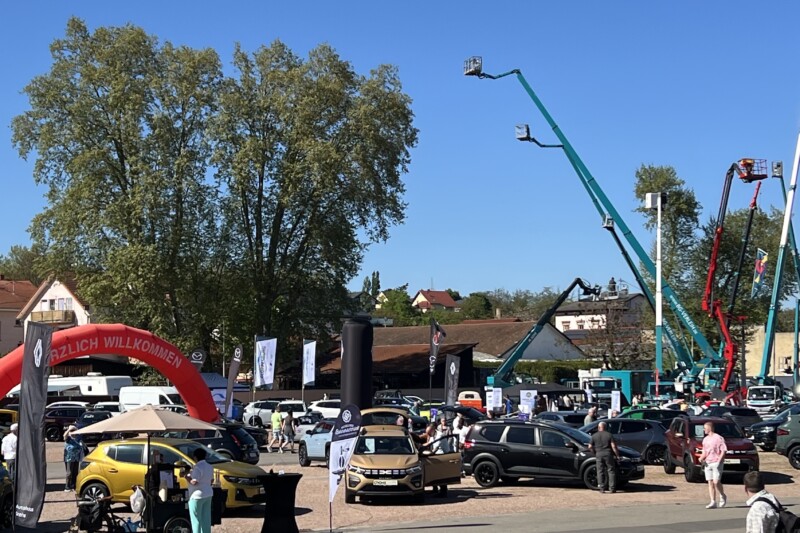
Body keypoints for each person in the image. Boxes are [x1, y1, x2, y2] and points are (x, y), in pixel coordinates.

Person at [698, 421, 728, 509]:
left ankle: (722, 495)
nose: (704, 430)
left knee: (716, 481)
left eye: (705, 428)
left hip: (716, 462)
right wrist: (701, 458)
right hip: (708, 462)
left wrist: (719, 461)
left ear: (709, 428)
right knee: (710, 482)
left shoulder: (718, 438)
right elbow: (705, 451)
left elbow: (723, 450)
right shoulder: (705, 439)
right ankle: (713, 501)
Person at [186, 447, 213, 533]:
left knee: (196, 520)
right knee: (206, 519)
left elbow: (194, 482)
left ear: (195, 457)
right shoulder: (209, 466)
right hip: (208, 493)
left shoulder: (197, 467)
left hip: (196, 495)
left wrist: (186, 477)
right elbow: (211, 480)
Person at [587, 421, 620, 493]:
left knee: (600, 471)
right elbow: (613, 446)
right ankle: (612, 488)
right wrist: (617, 455)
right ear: (605, 427)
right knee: (611, 470)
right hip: (608, 454)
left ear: (599, 427)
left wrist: (594, 452)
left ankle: (601, 488)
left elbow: (589, 446)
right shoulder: (609, 435)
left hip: (599, 454)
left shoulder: (594, 436)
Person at [63, 425, 85, 492]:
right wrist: (69, 430)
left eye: (74, 431)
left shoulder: (78, 439)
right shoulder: (68, 438)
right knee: (69, 472)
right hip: (69, 458)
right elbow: (64, 436)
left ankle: (73, 485)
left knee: (75, 472)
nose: (73, 432)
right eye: (72, 431)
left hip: (76, 458)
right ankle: (67, 486)